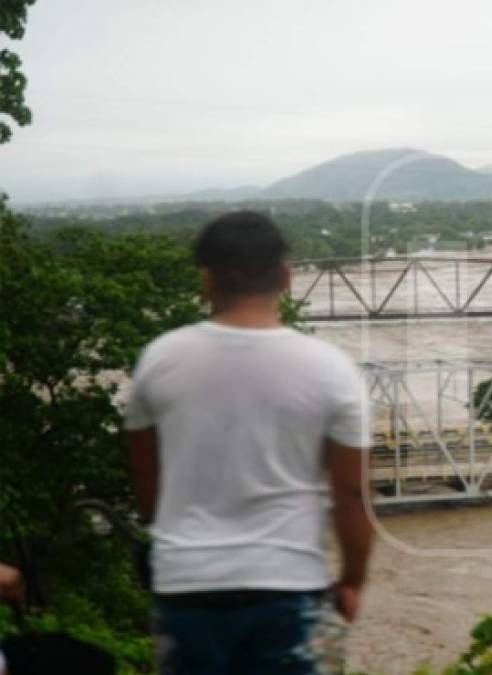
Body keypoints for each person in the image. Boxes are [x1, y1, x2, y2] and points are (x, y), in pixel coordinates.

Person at [125, 211, 373, 675]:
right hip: (289, 582)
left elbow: (147, 487)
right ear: (285, 275)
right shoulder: (331, 368)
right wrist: (353, 578)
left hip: (185, 584)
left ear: (206, 278)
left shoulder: (158, 359)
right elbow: (352, 494)